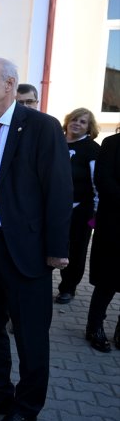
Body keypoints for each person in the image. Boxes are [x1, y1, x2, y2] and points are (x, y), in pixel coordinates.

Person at [0, 57, 72, 421]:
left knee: (30, 336)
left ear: (9, 83)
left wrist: (58, 249)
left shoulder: (41, 128)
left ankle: (27, 409)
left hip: (25, 252)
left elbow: (58, 190)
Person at [54, 108, 101, 304]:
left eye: (82, 122)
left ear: (89, 127)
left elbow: (96, 181)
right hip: (53, 207)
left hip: (80, 209)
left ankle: (68, 288)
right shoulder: (55, 142)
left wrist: (96, 211)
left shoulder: (92, 149)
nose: (77, 124)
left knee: (76, 249)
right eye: (74, 119)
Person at [85, 126, 120, 352]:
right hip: (114, 222)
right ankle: (94, 326)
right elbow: (102, 178)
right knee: (108, 279)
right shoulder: (112, 144)